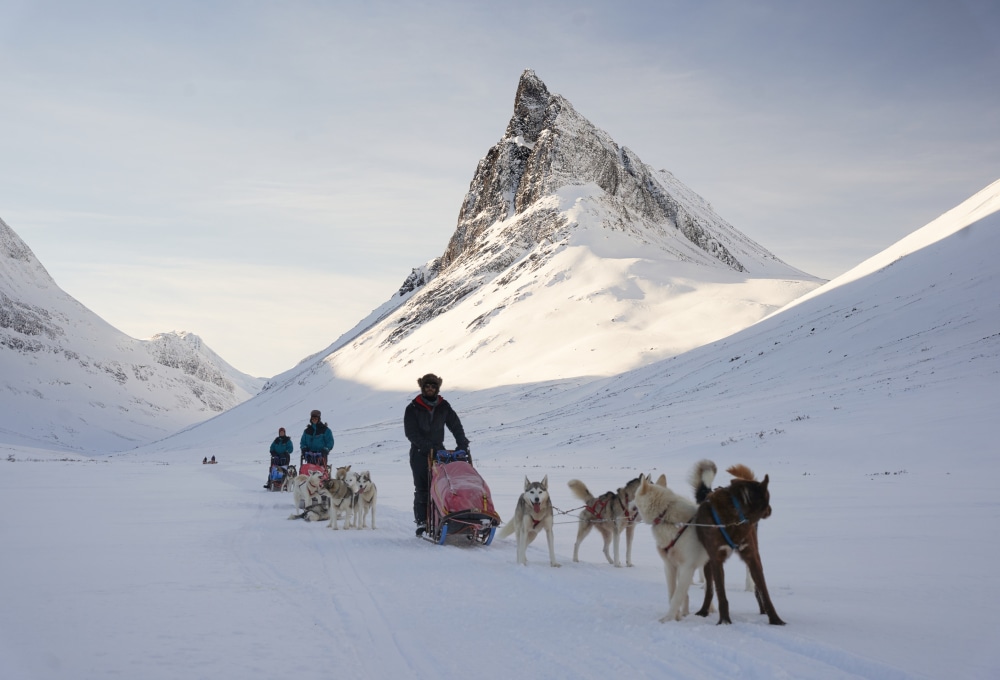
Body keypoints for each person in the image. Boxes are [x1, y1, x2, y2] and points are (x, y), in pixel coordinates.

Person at [403, 373, 470, 536]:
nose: (430, 389)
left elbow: (455, 425)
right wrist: (427, 446)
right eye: (427, 386)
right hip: (419, 453)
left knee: (444, 485)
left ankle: (443, 515)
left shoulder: (443, 406)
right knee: (422, 487)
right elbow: (410, 432)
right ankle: (422, 522)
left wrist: (462, 444)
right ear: (422, 388)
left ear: (437, 388)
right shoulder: (413, 408)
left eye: (433, 386)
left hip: (440, 454)